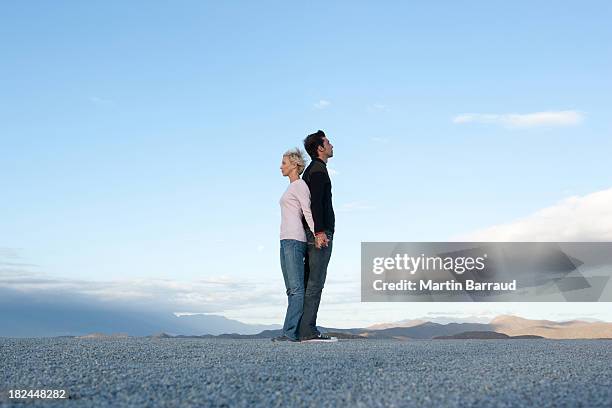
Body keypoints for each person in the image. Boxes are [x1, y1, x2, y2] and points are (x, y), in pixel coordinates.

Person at [272, 148, 316, 342]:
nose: (281, 166)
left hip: (295, 240)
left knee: (296, 289)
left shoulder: (300, 185)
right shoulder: (291, 187)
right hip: (285, 240)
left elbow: (307, 212)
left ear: (295, 165)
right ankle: (291, 331)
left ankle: (290, 333)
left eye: (284, 163)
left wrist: (317, 235)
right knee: (291, 289)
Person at [299, 130, 338, 343]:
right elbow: (315, 203)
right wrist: (320, 232)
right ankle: (308, 331)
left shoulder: (313, 170)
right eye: (328, 142)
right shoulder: (317, 171)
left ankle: (302, 328)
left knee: (308, 281)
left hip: (313, 231)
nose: (332, 145)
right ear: (320, 148)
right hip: (318, 233)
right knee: (315, 281)